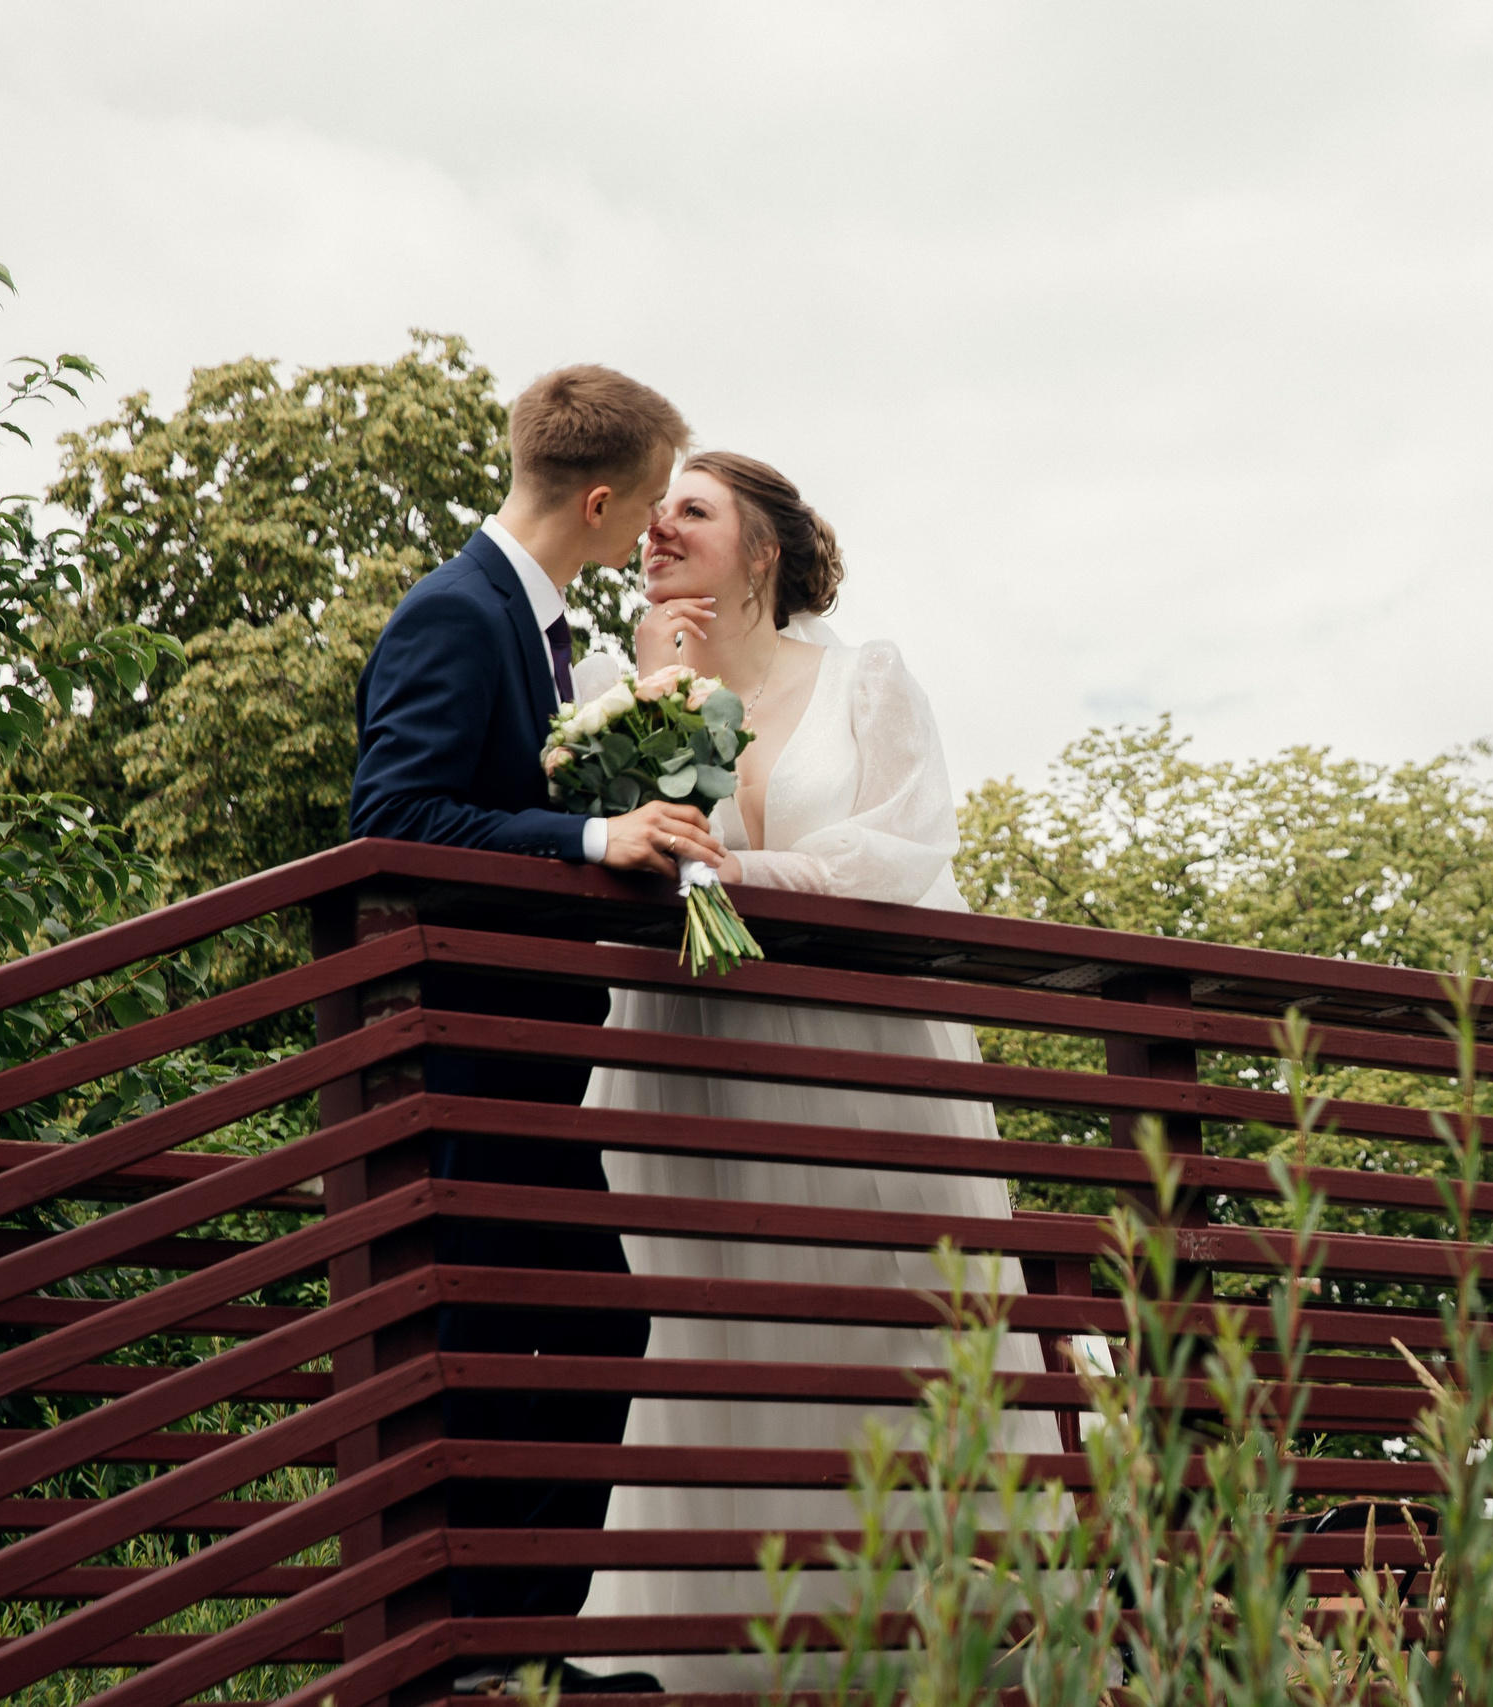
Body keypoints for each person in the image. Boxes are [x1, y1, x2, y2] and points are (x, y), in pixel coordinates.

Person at [574, 452, 1061, 1693]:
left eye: (691, 511)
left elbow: (904, 845)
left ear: (764, 549)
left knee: (895, 1329)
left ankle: (947, 1652)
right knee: (721, 1340)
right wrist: (658, 697)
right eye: (653, 516)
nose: (657, 530)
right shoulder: (612, 688)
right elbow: (619, 862)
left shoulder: (864, 681)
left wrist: (751, 876)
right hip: (698, 1073)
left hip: (861, 1068)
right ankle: (722, 1670)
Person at [349, 365, 725, 1695]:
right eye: (650, 505)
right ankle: (475, 1656)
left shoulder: (541, 624)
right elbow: (393, 818)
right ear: (603, 499)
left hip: (526, 1061)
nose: (655, 532)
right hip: (460, 1055)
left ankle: (515, 1654)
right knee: (513, 1341)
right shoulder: (459, 612)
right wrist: (591, 836)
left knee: (581, 1326)